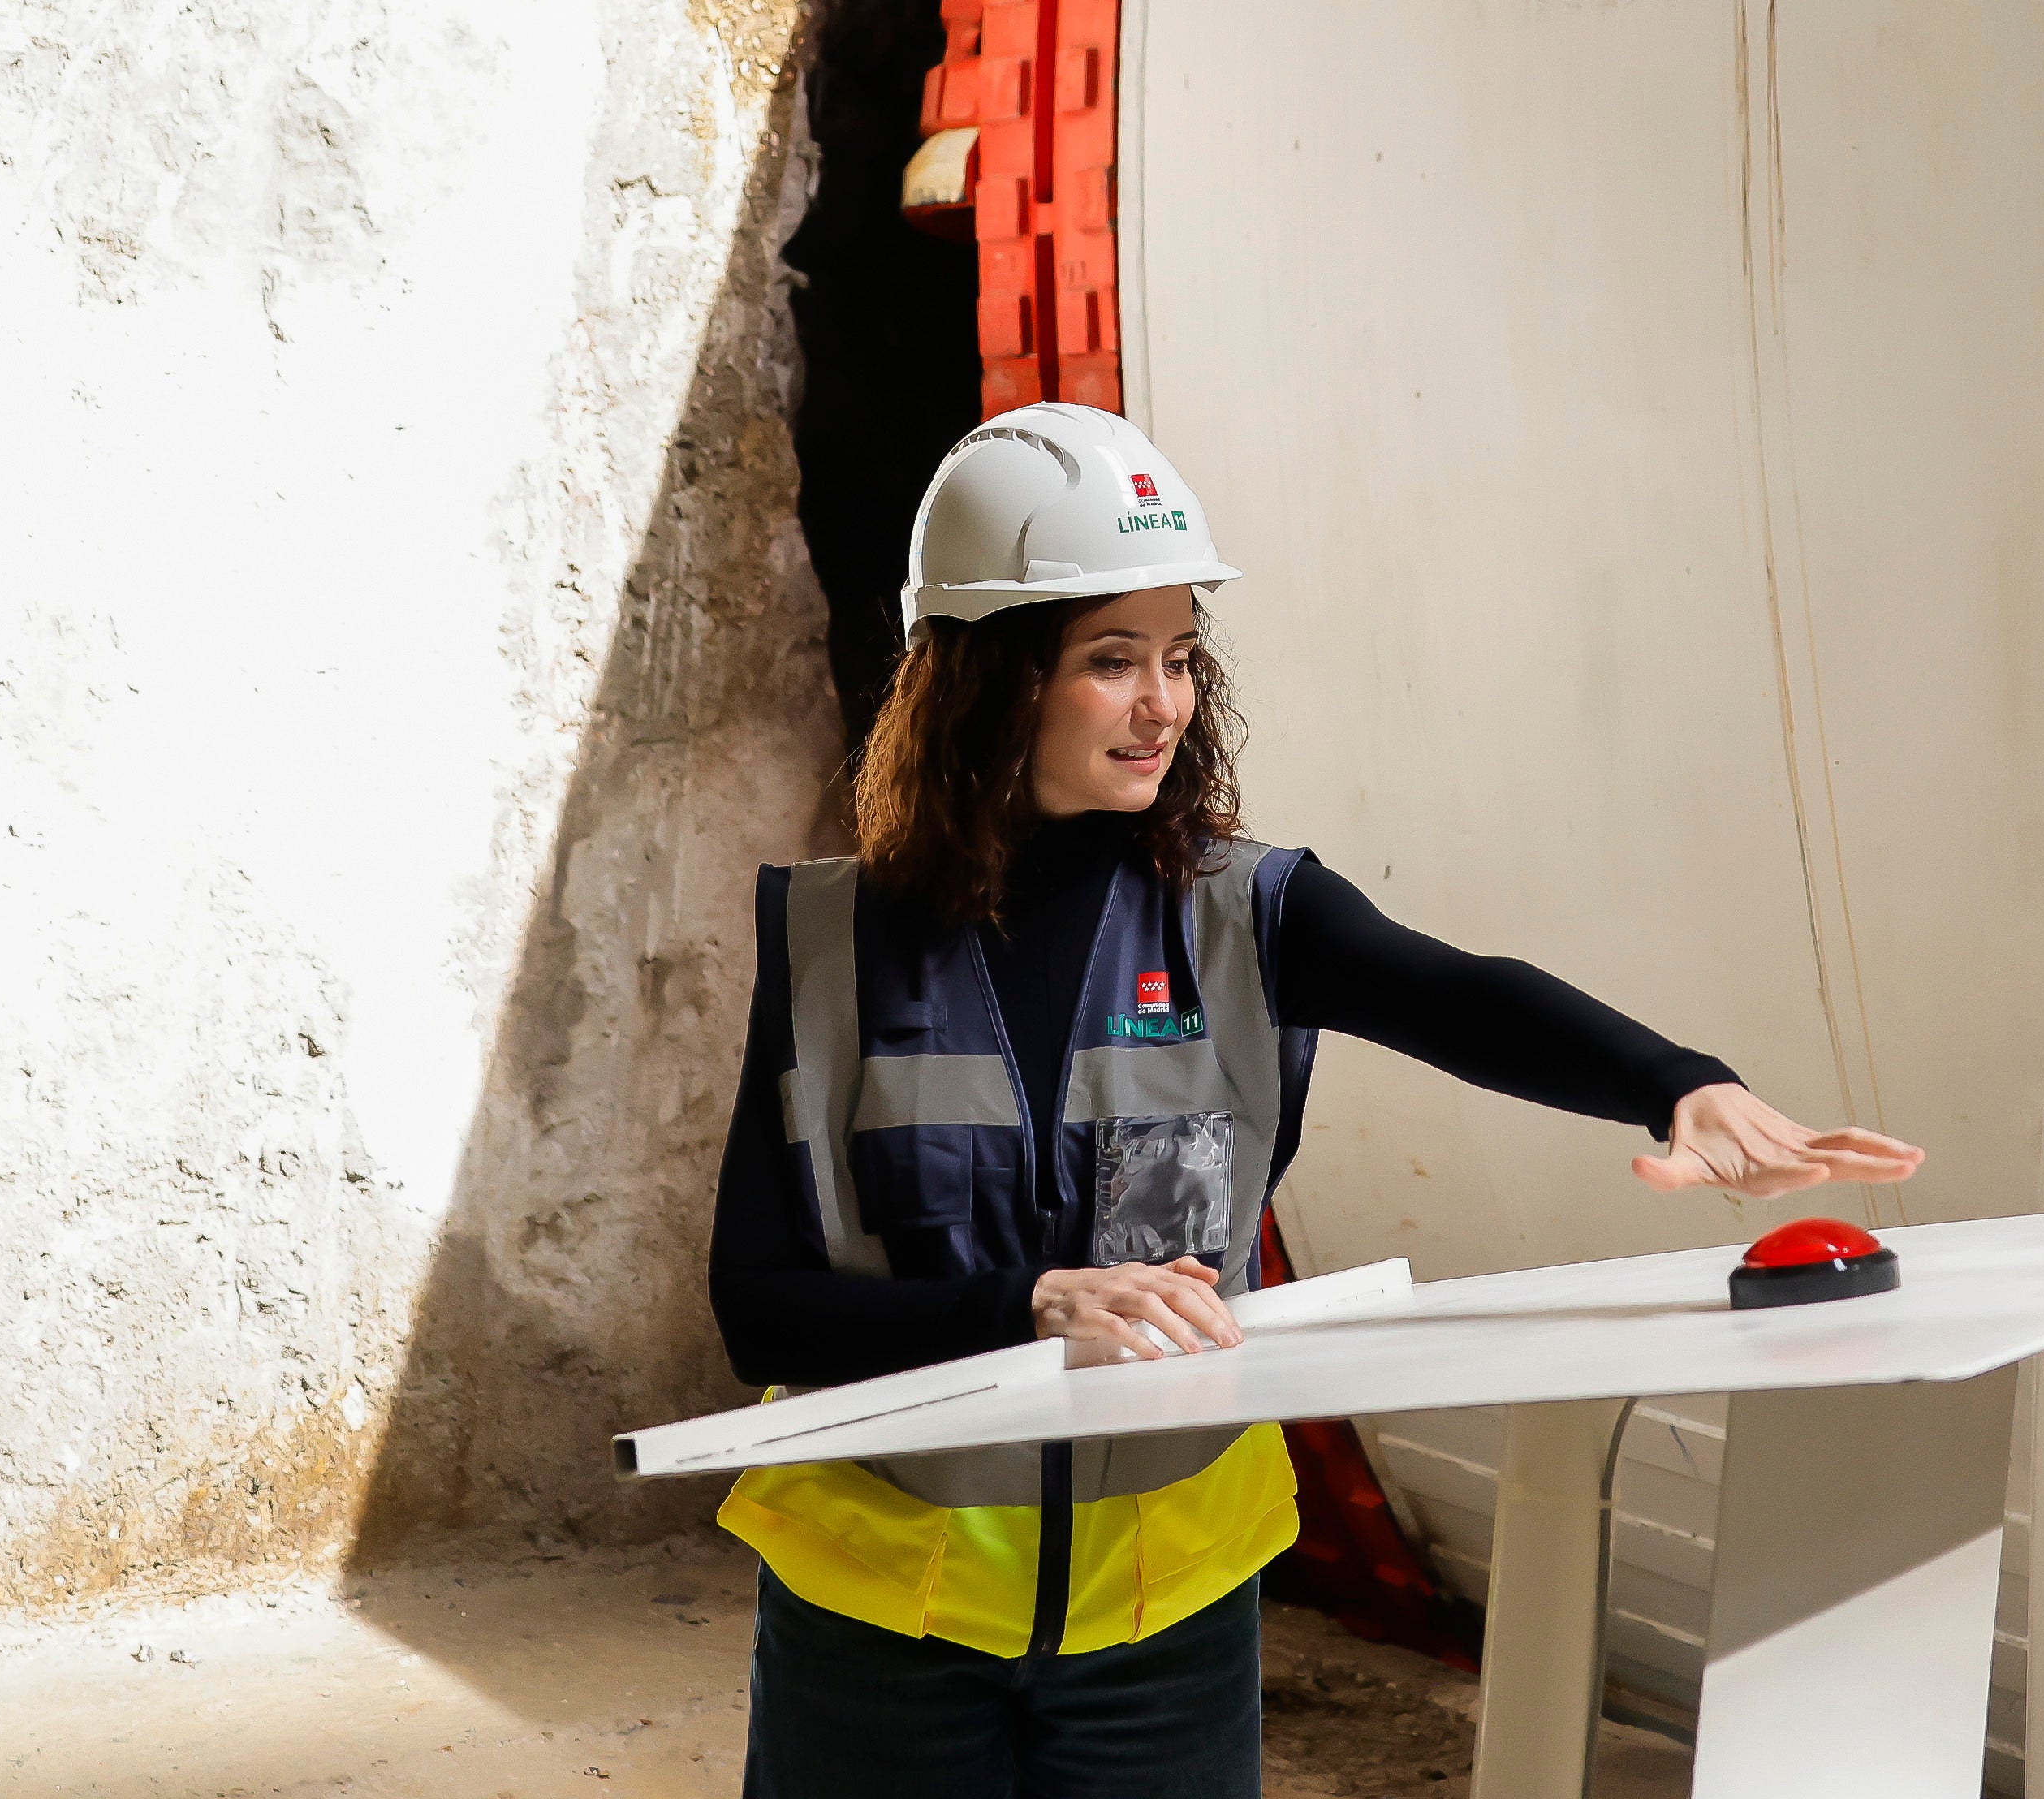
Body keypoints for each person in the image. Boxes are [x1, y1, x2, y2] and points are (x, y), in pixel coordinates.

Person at [709, 401, 1925, 1797]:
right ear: (993, 675)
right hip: (877, 1629)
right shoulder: (825, 943)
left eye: (1178, 657)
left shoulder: (1247, 915)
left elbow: (1465, 994)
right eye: (1113, 662)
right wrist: (1025, 1305)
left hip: (1161, 1627)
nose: (1163, 702)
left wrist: (1678, 1087)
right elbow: (760, 1305)